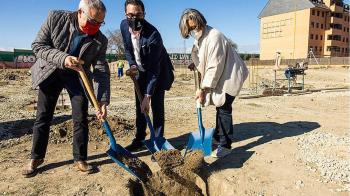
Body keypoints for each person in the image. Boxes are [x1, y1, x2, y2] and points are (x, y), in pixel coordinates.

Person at [22, 0, 110, 177]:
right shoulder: (56, 18)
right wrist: (64, 58)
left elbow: (101, 71)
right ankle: (36, 157)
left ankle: (80, 158)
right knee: (43, 116)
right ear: (80, 13)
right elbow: (38, 46)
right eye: (92, 21)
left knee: (81, 117)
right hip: (51, 70)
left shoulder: (100, 40)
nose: (95, 27)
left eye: (100, 23)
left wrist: (102, 100)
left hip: (77, 76)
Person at [179, 9, 249, 158]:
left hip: (230, 75)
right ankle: (218, 137)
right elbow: (202, 56)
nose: (193, 30)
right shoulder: (201, 37)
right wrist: (195, 64)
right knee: (220, 107)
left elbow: (214, 66)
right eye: (190, 29)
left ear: (201, 22)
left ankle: (226, 145)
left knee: (224, 108)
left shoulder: (214, 36)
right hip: (222, 74)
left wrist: (203, 89)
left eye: (195, 27)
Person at [120, 0, 174, 151]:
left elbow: (154, 70)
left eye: (138, 15)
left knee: (156, 107)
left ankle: (157, 141)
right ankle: (139, 139)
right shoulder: (124, 26)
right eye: (130, 15)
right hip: (140, 71)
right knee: (140, 107)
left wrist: (147, 95)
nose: (134, 18)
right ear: (125, 15)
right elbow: (127, 48)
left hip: (158, 71)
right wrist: (132, 65)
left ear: (144, 14)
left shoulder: (153, 35)